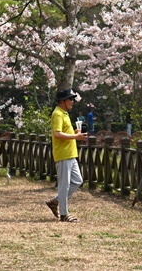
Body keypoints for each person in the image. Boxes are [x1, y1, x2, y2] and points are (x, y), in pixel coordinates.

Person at [45, 88, 87, 223]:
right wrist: (75, 136)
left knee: (77, 181)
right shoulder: (57, 114)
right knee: (64, 185)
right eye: (70, 99)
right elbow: (56, 134)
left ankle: (55, 201)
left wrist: (74, 132)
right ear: (63, 101)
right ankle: (64, 214)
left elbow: (63, 132)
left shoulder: (64, 113)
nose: (72, 102)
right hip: (63, 154)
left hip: (70, 153)